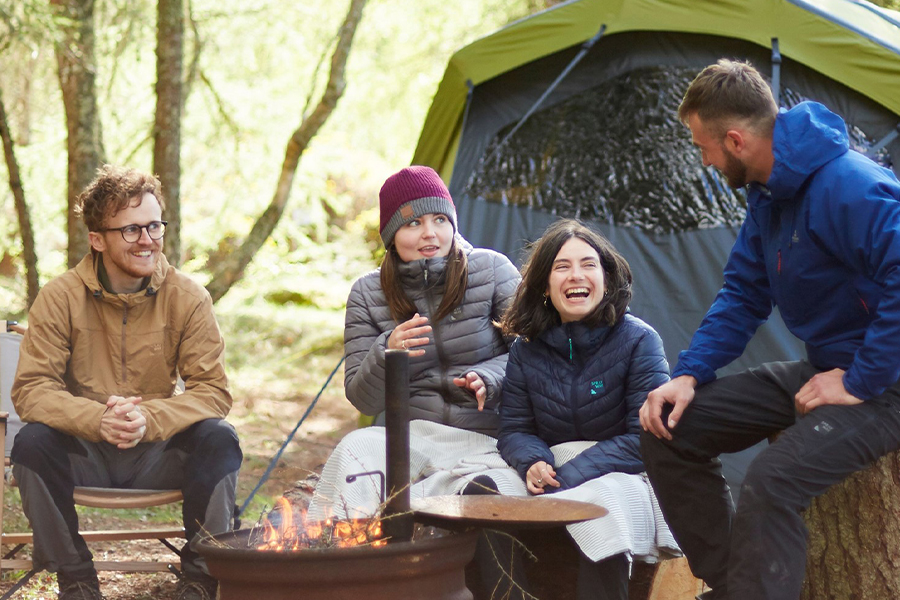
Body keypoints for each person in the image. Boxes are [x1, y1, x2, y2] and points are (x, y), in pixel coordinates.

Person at [639, 59, 900, 600]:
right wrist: (688, 374)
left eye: (701, 146)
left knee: (770, 483)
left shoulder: (850, 185)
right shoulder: (769, 195)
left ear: (734, 140)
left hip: (886, 383)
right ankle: (738, 587)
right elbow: (743, 293)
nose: (704, 160)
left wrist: (857, 381)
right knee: (668, 428)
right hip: (827, 366)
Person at [11, 165, 243, 600]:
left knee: (219, 438)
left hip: (158, 453)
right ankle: (76, 579)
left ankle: (200, 576)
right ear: (97, 239)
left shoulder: (188, 297)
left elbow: (212, 390)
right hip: (84, 450)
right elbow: (32, 389)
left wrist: (147, 418)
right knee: (31, 444)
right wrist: (98, 419)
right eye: (132, 229)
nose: (148, 239)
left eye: (154, 225)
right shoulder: (59, 297)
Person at [308, 165, 522, 597]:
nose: (430, 233)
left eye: (439, 219)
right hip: (411, 434)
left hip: (486, 432)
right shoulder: (368, 293)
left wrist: (491, 377)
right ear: (391, 235)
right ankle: (350, 582)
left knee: (488, 490)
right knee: (353, 449)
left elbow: (534, 352)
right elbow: (360, 396)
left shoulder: (492, 270)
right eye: (413, 223)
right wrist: (388, 352)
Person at [498, 219, 677, 600]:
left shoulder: (640, 341)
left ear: (607, 279)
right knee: (488, 496)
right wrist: (532, 461)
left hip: (625, 471)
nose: (575, 275)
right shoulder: (525, 351)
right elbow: (514, 428)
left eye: (588, 264)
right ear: (545, 285)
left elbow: (644, 437)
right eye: (561, 267)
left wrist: (569, 476)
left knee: (603, 502)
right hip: (555, 468)